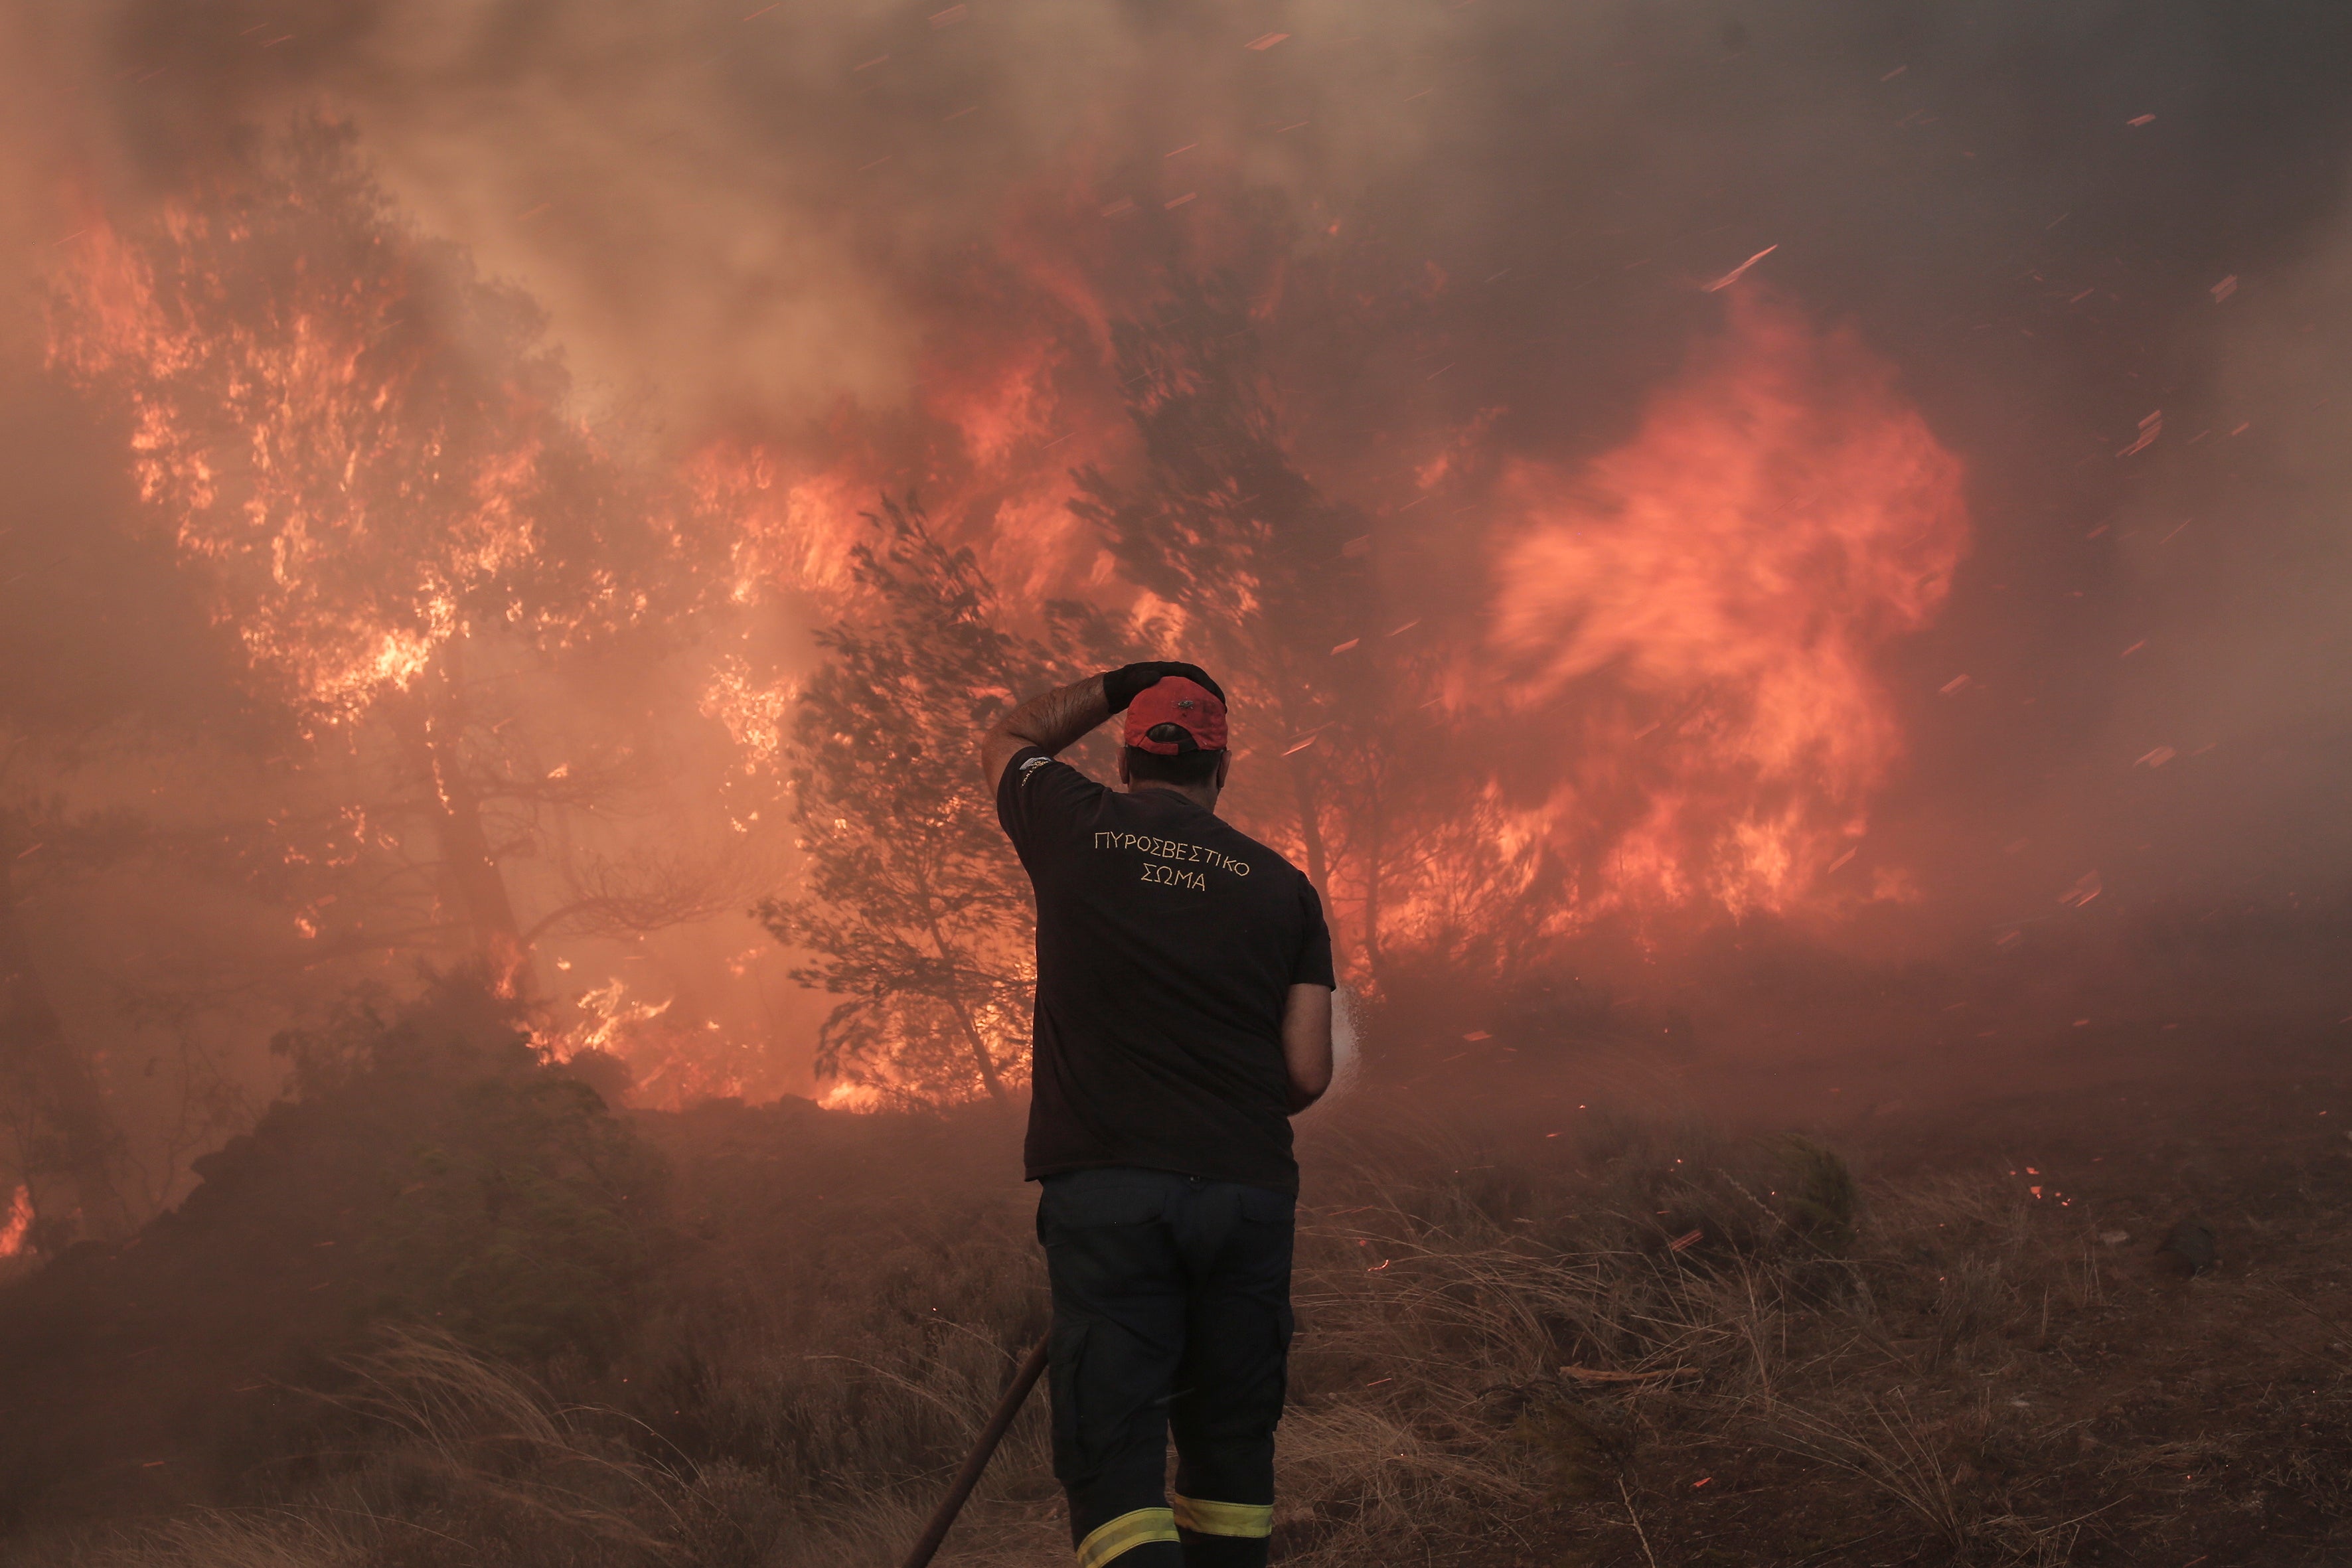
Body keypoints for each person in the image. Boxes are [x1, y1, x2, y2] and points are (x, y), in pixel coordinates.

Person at [982, 661, 1336, 1568]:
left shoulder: (1073, 822)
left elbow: (1007, 740)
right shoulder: (1285, 887)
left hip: (1112, 1196)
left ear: (1127, 756)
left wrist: (1119, 681)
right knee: (1229, 1450)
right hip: (1245, 1193)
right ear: (1222, 769)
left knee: (1115, 1460)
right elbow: (1306, 1068)